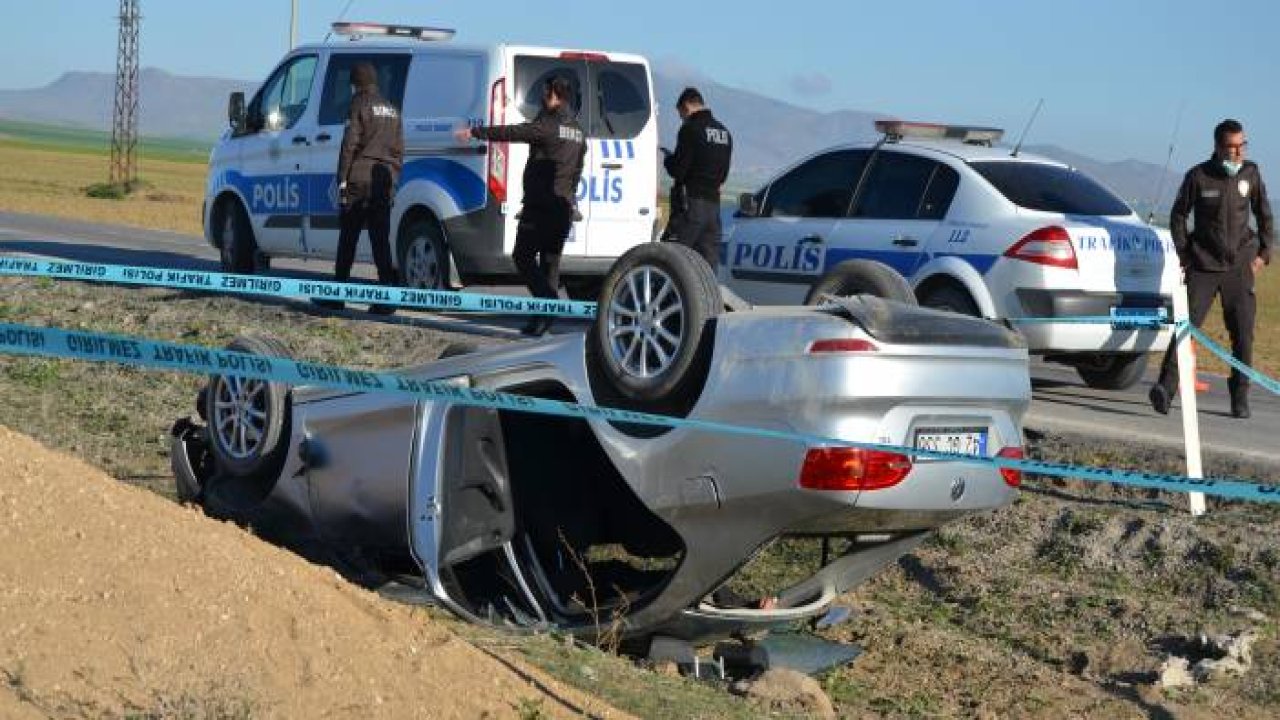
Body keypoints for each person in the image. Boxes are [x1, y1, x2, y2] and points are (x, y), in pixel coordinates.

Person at [1150, 118, 1272, 418]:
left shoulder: (1251, 173)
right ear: (1218, 147)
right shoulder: (1198, 176)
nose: (1238, 152)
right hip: (1203, 265)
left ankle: (1240, 396)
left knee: (1243, 334)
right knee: (1186, 328)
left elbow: (1264, 214)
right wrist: (1185, 254)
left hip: (1239, 267)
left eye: (1242, 145)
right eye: (1232, 146)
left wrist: (1263, 254)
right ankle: (1165, 388)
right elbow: (1178, 215)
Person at [454, 76, 586, 336]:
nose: (541, 97)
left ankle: (548, 303)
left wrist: (475, 132)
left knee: (522, 257)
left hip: (540, 207)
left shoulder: (547, 126)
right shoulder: (579, 132)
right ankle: (543, 320)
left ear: (553, 95)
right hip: (562, 208)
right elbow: (577, 172)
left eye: (544, 92)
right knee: (550, 263)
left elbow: (513, 132)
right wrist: (570, 199)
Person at [319, 62, 404, 315]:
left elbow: (349, 144)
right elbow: (399, 151)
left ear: (356, 84)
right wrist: (392, 180)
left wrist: (342, 180)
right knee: (380, 241)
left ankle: (337, 296)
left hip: (358, 180)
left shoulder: (358, 104)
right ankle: (386, 298)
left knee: (348, 238)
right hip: (382, 183)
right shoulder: (392, 110)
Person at [660, 87, 733, 268]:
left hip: (690, 205)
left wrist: (668, 159)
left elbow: (679, 170)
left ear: (686, 107)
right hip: (713, 209)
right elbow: (723, 174)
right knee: (706, 267)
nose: (682, 119)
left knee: (670, 259)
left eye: (681, 115)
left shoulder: (690, 129)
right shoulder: (724, 133)